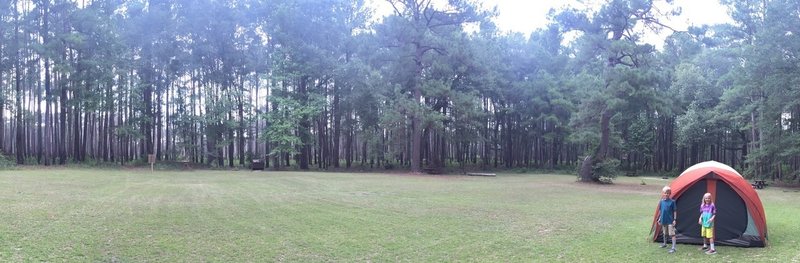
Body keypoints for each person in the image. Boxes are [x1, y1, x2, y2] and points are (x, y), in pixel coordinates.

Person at [658, 186, 678, 253]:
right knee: (664, 233)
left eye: (668, 193)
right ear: (663, 193)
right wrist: (659, 218)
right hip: (664, 220)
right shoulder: (661, 202)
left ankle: (673, 248)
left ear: (670, 194)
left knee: (672, 234)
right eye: (665, 193)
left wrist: (674, 219)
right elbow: (661, 211)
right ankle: (665, 244)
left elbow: (675, 211)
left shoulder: (672, 202)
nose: (666, 194)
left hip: (670, 221)